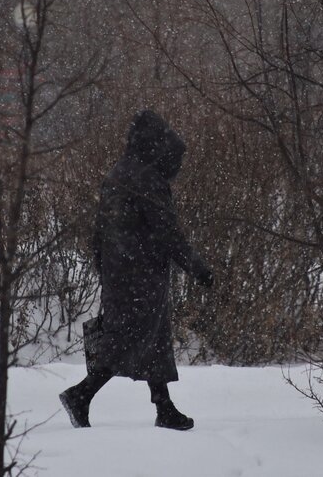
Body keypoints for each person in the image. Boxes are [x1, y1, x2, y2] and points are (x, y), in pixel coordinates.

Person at [59, 110, 213, 431]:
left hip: (122, 273)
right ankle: (81, 395)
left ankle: (164, 407)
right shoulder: (147, 180)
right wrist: (197, 267)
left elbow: (99, 231)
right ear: (157, 147)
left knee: (153, 339)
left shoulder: (119, 172)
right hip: (141, 275)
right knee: (126, 340)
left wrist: (102, 267)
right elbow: (167, 232)